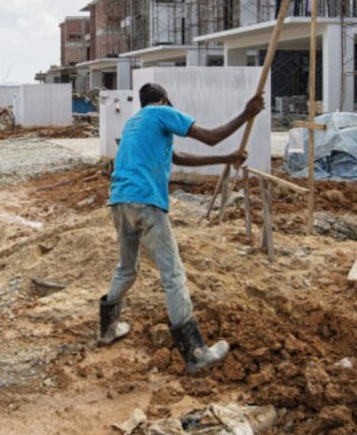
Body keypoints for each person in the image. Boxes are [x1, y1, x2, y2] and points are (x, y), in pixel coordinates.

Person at [98, 82, 265, 374]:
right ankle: (196, 353)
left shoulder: (133, 124)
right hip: (146, 202)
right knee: (173, 275)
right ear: (164, 99)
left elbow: (179, 158)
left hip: (119, 202)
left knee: (126, 268)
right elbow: (210, 137)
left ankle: (107, 330)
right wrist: (245, 113)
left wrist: (227, 159)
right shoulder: (162, 112)